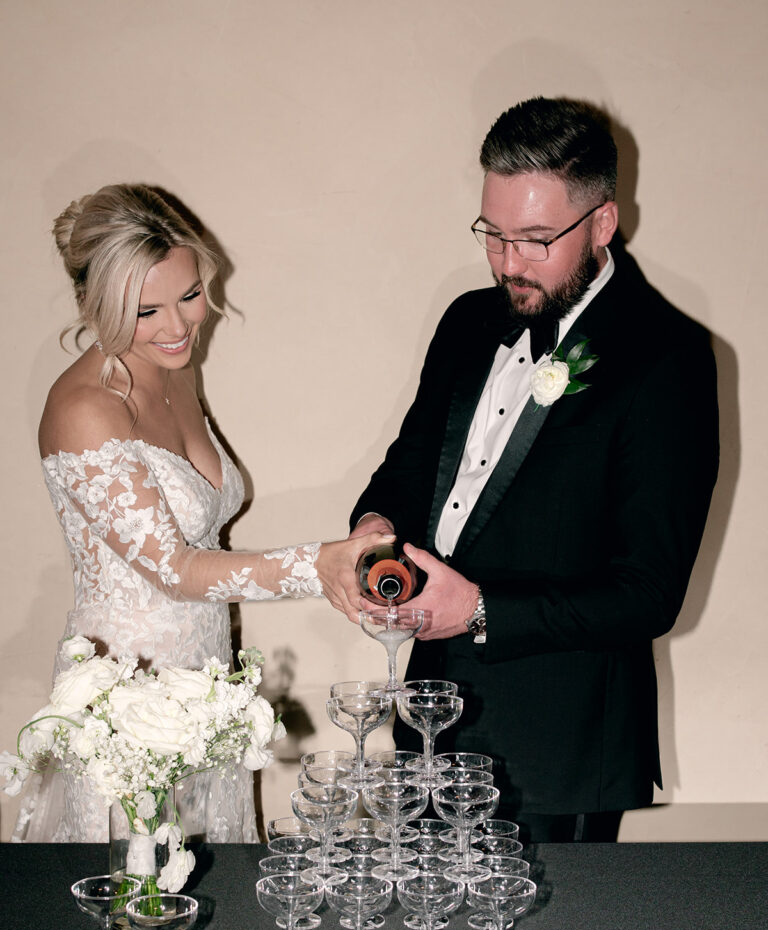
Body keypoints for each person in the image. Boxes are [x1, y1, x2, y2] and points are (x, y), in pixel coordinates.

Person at [336, 98, 719, 843]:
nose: (509, 261)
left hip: (559, 755)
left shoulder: (666, 359)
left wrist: (479, 610)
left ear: (603, 223)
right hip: (428, 723)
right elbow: (410, 470)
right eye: (494, 234)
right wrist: (375, 528)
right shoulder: (466, 321)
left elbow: (648, 594)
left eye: (537, 239)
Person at [14, 183, 390, 843]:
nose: (179, 326)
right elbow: (174, 569)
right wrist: (316, 566)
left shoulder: (175, 369)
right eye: (144, 309)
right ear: (91, 303)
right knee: (133, 892)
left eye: (189, 295)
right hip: (125, 699)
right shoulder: (84, 408)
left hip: (206, 682)